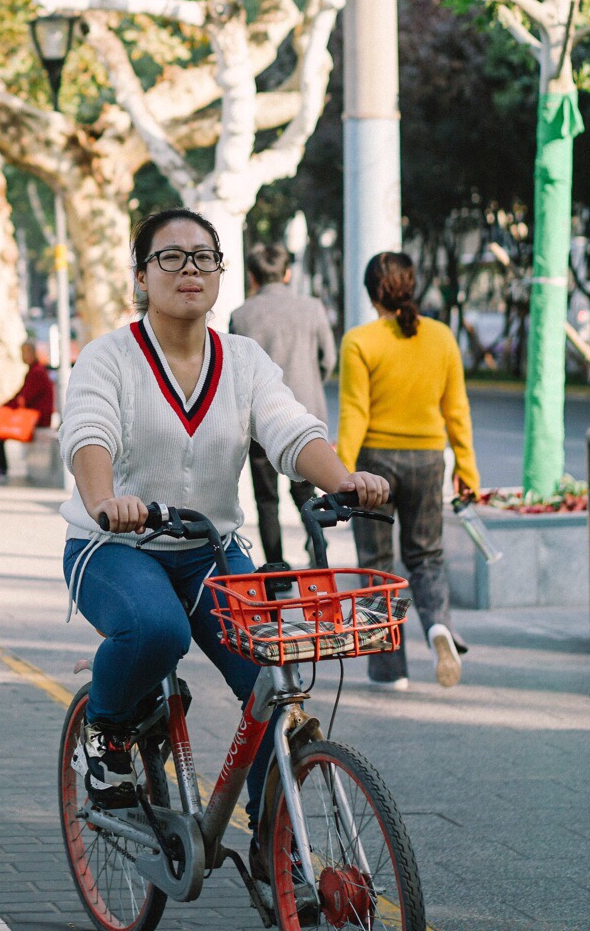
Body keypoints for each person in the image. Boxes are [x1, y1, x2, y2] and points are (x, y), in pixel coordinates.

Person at [62, 208, 388, 861]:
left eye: (204, 257)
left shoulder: (242, 359)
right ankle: (103, 737)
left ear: (221, 273)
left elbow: (291, 428)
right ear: (141, 276)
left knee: (273, 676)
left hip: (210, 552)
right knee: (158, 631)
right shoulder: (110, 357)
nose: (190, 270)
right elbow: (88, 431)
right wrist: (105, 501)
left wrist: (343, 479)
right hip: (113, 549)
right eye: (171, 257)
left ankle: (277, 844)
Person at [338, 251, 478, 690]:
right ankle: (438, 627)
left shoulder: (360, 341)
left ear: (371, 292)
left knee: (376, 564)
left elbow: (354, 413)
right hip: (428, 459)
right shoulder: (441, 337)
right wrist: (468, 470)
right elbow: (456, 410)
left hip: (375, 462)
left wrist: (342, 474)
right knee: (427, 556)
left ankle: (388, 669)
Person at [229, 243, 338, 569]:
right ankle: (319, 556)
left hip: (259, 420)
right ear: (287, 272)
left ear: (253, 276)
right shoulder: (313, 309)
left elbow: (235, 372)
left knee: (266, 499)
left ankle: (276, 568)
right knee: (306, 493)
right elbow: (328, 359)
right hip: (304, 418)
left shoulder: (241, 315)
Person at [0, 341, 56, 480]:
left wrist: (3, 409)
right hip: (32, 415)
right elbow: (20, 395)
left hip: (37, 418)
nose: (22, 356)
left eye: (25, 352)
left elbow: (23, 398)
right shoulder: (34, 370)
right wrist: (3, 407)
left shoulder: (37, 372)